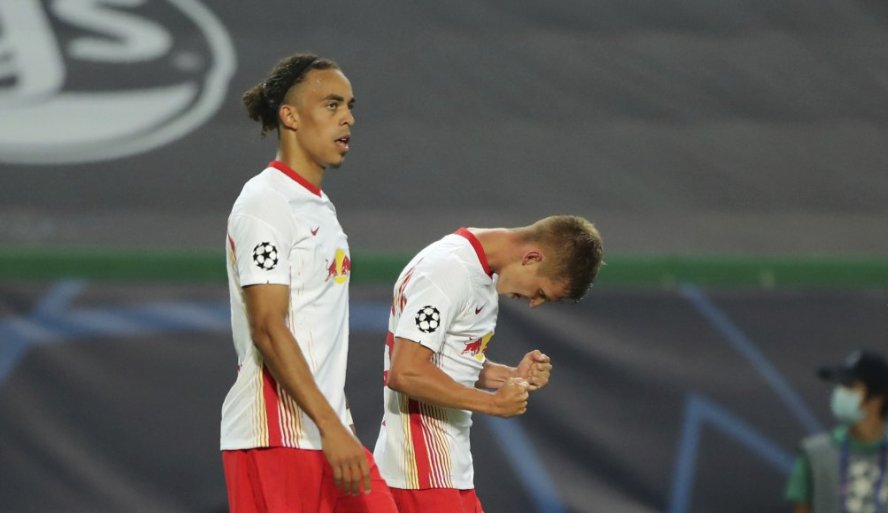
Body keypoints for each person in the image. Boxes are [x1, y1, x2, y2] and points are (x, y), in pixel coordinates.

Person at [220, 53, 397, 513]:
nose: (348, 118)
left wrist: (337, 425)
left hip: (327, 432)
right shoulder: (266, 202)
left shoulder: (319, 208)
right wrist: (330, 426)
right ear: (291, 116)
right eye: (332, 105)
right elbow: (267, 327)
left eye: (350, 106)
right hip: (276, 437)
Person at [373, 216, 604, 513]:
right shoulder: (448, 271)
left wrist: (508, 376)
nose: (534, 303)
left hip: (448, 469)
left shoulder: (479, 272)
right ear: (532, 258)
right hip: (420, 472)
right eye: (541, 293)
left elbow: (449, 361)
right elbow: (405, 372)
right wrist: (493, 403)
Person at [785, 350, 888, 513]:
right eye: (839, 386)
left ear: (876, 400)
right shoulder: (814, 455)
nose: (840, 393)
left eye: (850, 387)